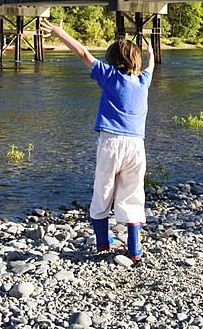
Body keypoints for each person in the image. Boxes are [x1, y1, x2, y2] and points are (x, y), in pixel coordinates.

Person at [39, 18, 154, 262]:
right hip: (136, 146)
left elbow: (82, 53)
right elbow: (150, 67)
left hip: (111, 142)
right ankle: (134, 249)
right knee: (132, 193)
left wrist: (59, 32)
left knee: (103, 190)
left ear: (112, 60)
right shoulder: (144, 82)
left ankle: (103, 242)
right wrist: (151, 52)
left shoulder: (110, 76)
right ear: (137, 62)